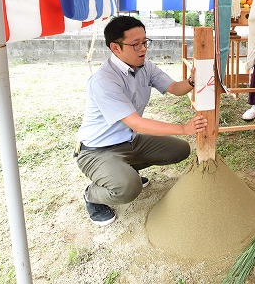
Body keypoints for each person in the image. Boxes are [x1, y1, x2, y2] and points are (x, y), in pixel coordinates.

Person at [75, 16, 207, 226]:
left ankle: (126, 170)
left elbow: (175, 88)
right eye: (135, 44)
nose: (143, 49)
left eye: (144, 42)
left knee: (180, 150)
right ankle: (92, 194)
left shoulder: (145, 67)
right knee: (128, 188)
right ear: (115, 48)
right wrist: (184, 127)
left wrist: (192, 81)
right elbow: (135, 122)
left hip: (130, 142)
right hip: (97, 151)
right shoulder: (104, 80)